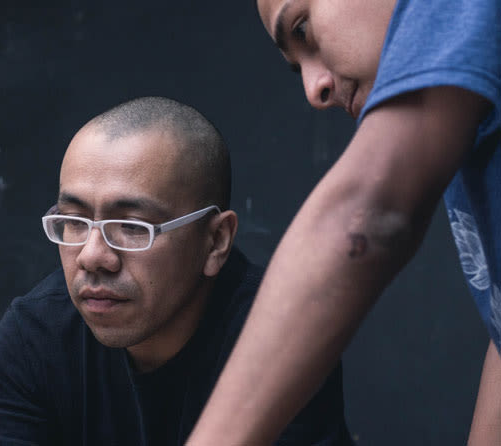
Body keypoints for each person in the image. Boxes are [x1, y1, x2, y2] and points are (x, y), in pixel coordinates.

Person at [188, 0, 501, 444]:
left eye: (302, 31)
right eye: (297, 68)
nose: (314, 89)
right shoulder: (465, 117)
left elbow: (366, 217)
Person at [0, 96, 352, 445]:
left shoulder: (284, 339)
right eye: (74, 222)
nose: (92, 257)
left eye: (132, 227)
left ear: (216, 240)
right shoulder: (35, 339)